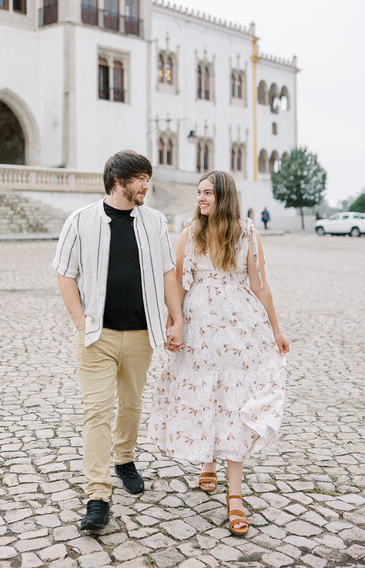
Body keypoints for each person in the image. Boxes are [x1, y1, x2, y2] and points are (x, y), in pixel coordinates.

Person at [148, 171, 289, 537]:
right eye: (199, 193)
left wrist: (276, 329)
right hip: (199, 328)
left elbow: (260, 284)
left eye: (208, 193)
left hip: (241, 328)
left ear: (224, 196)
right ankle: (207, 461)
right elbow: (176, 283)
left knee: (235, 401)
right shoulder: (189, 233)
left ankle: (236, 494)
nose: (201, 198)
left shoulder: (248, 233)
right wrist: (174, 325)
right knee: (206, 395)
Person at [53, 150, 183, 531]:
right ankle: (98, 496)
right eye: (141, 178)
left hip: (142, 334)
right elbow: (64, 273)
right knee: (96, 412)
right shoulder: (81, 221)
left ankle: (125, 459)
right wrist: (80, 320)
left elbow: (167, 273)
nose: (147, 185)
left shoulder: (155, 221)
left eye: (148, 178)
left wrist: (176, 319)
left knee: (131, 403)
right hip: (97, 337)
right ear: (118, 179)